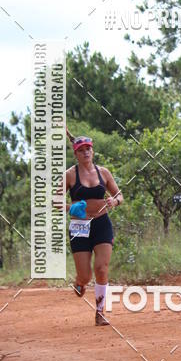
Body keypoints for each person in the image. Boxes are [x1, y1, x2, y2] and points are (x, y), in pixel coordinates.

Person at [61, 135, 123, 326]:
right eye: (81, 150)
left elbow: (119, 194)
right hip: (80, 225)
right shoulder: (69, 175)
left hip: (101, 222)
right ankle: (80, 282)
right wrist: (70, 207)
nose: (86, 152)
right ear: (76, 154)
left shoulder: (103, 172)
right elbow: (54, 201)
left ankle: (100, 312)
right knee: (86, 275)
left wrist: (115, 201)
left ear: (92, 151)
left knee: (102, 268)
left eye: (88, 148)